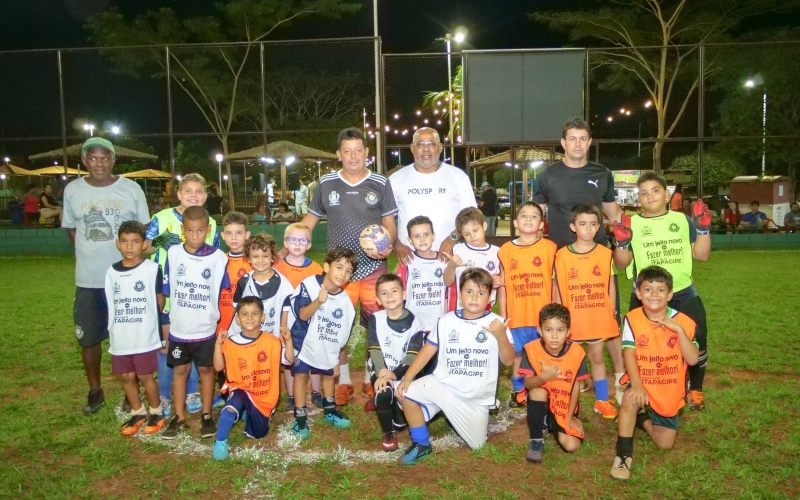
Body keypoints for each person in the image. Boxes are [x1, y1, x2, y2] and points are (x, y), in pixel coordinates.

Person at [292, 127, 397, 406]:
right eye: (347, 151)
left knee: (375, 325)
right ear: (339, 154)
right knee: (337, 323)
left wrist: (389, 244)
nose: (353, 156)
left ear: (366, 153)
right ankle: (345, 381)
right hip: (340, 272)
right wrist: (289, 244)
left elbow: (389, 225)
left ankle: (371, 378)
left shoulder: (380, 182)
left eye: (358, 150)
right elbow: (309, 221)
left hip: (374, 268)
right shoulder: (326, 183)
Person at [62, 137, 150, 414]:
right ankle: (95, 391)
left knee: (129, 333)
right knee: (89, 337)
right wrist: (90, 252)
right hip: (88, 278)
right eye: (93, 158)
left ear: (113, 160)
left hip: (125, 278)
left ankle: (131, 391)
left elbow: (143, 230)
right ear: (84, 161)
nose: (99, 163)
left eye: (105, 157)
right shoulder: (73, 190)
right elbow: (72, 229)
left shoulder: (131, 188)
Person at [612, 171, 711, 411]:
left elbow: (701, 255)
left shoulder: (682, 220)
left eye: (655, 190)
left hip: (683, 291)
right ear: (638, 199)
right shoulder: (631, 223)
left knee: (697, 338)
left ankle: (695, 388)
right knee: (640, 345)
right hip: (647, 297)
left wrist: (703, 231)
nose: (650, 196)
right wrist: (621, 244)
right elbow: (621, 263)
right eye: (643, 193)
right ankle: (640, 388)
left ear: (666, 194)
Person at [396, 268, 515, 463]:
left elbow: (509, 361)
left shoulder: (497, 323)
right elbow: (428, 350)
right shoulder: (446, 320)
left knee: (477, 445)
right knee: (405, 392)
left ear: (489, 297)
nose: (474, 297)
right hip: (443, 386)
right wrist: (408, 378)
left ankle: (454, 415)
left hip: (474, 399)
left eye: (481, 292)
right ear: (460, 294)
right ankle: (421, 444)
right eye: (469, 291)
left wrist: (501, 335)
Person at [610, 266, 699, 481]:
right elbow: (629, 354)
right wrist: (637, 385)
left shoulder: (685, 322)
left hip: (668, 386)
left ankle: (642, 420)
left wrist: (677, 330)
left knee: (664, 444)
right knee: (631, 398)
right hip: (642, 381)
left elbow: (694, 359)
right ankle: (623, 455)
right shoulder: (632, 318)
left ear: (670, 294)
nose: (654, 295)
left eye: (661, 290)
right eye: (648, 289)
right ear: (639, 294)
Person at [147, 173, 219, 417]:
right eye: (188, 191)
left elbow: (214, 257)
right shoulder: (162, 218)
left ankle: (191, 391)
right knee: (167, 345)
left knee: (196, 342)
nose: (193, 196)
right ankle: (165, 395)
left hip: (195, 295)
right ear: (178, 194)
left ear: (206, 196)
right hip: (167, 294)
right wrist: (166, 239)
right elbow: (145, 246)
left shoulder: (211, 223)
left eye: (199, 191)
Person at [161, 206, 230, 440]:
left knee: (206, 370)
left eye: (200, 231)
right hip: (180, 329)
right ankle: (179, 417)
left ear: (208, 229)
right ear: (183, 230)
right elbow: (167, 290)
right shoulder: (173, 254)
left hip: (205, 329)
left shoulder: (219, 257)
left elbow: (225, 292)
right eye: (189, 231)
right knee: (180, 370)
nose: (194, 236)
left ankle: (207, 416)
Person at [554, 204, 623, 418]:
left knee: (597, 357)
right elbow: (557, 287)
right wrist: (558, 317)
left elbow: (610, 284)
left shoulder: (605, 253)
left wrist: (611, 312)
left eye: (593, 224)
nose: (588, 229)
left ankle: (602, 400)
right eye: (583, 224)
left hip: (597, 316)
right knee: (569, 361)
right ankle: (565, 400)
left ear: (599, 227)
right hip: (572, 319)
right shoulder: (562, 255)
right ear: (573, 226)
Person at [283, 247, 359, 439]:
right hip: (303, 342)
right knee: (301, 376)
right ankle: (300, 419)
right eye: (339, 267)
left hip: (326, 343)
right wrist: (319, 300)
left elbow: (343, 333)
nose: (343, 273)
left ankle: (330, 411)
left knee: (328, 375)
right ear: (326, 266)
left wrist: (334, 356)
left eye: (348, 271)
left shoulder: (345, 301)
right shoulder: (309, 284)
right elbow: (302, 314)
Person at [104, 221, 166, 436]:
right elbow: (111, 303)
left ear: (145, 244)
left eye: (135, 241)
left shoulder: (152, 269)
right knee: (127, 376)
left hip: (143, 335)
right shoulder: (111, 272)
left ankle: (156, 411)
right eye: (124, 241)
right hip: (121, 335)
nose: (129, 246)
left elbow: (159, 300)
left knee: (144, 375)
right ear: (117, 243)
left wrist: (147, 322)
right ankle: (138, 411)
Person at [212, 297, 293, 460]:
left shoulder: (272, 342)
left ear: (262, 317)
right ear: (237, 318)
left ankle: (249, 412)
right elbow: (218, 367)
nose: (249, 318)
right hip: (240, 388)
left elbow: (289, 360)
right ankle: (220, 441)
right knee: (230, 409)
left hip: (263, 396)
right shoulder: (230, 342)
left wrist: (289, 341)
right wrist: (218, 345)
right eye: (244, 314)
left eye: (255, 314)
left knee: (259, 434)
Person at [497, 201, 557, 409]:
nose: (529, 219)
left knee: (544, 354)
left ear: (542, 224)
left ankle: (546, 389)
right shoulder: (505, 250)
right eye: (524, 215)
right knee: (518, 356)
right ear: (515, 222)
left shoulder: (550, 248)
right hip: (518, 315)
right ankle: (518, 391)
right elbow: (502, 287)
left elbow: (556, 283)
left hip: (543, 317)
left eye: (534, 216)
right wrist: (504, 316)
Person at [390, 127, 477, 265]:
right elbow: (385, 219)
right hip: (410, 260)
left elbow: (471, 216)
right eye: (420, 144)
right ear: (412, 148)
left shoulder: (458, 176)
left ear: (440, 147)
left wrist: (453, 238)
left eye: (431, 144)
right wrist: (396, 244)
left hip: (449, 257)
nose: (426, 149)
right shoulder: (396, 179)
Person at [532, 117, 622, 249]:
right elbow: (536, 219)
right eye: (573, 139)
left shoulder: (603, 174)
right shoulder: (546, 176)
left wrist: (631, 235)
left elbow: (614, 214)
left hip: (597, 252)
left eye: (583, 139)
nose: (578, 144)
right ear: (564, 143)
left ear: (589, 142)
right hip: (560, 253)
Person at [519, 303, 589, 463]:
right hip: (542, 400)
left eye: (560, 330)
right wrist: (543, 377)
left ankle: (553, 423)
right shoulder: (531, 349)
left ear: (569, 332)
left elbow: (575, 388)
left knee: (572, 446)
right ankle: (537, 439)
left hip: (563, 404)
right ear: (540, 330)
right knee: (537, 391)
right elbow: (528, 385)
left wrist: (570, 417)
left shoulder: (577, 352)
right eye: (549, 330)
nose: (554, 336)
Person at [366, 274, 426, 451]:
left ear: (404, 294)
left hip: (404, 372)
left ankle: (386, 408)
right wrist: (382, 374)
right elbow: (375, 349)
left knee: (402, 421)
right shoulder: (375, 319)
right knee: (384, 390)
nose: (390, 296)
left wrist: (395, 374)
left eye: (394, 291)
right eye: (384, 293)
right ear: (378, 299)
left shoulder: (415, 323)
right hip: (381, 369)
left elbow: (412, 355)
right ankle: (388, 432)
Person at [274, 223, 325, 409]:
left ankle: (316, 391)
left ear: (309, 245)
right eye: (293, 240)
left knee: (312, 354)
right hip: (287, 319)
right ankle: (291, 395)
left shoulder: (316, 268)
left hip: (309, 319)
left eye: (303, 240)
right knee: (288, 357)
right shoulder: (277, 266)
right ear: (285, 243)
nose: (297, 244)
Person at [213, 211, 253, 409]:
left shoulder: (254, 260)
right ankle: (224, 389)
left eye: (238, 233)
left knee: (244, 355)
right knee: (223, 353)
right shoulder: (218, 259)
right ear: (222, 235)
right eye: (229, 233)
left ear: (247, 234)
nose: (234, 238)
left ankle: (246, 392)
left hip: (244, 319)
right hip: (222, 316)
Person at [396, 216, 448, 334]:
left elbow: (449, 292)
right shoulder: (407, 262)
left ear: (433, 236)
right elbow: (398, 291)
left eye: (426, 234)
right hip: (413, 325)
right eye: (417, 236)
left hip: (438, 325)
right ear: (410, 240)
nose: (422, 239)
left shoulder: (444, 260)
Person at [443, 207, 502, 311]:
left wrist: (497, 282)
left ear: (484, 225)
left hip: (484, 312)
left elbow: (500, 282)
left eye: (475, 230)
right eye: (467, 234)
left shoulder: (497, 253)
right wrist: (451, 266)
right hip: (457, 311)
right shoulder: (456, 250)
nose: (472, 236)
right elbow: (447, 282)